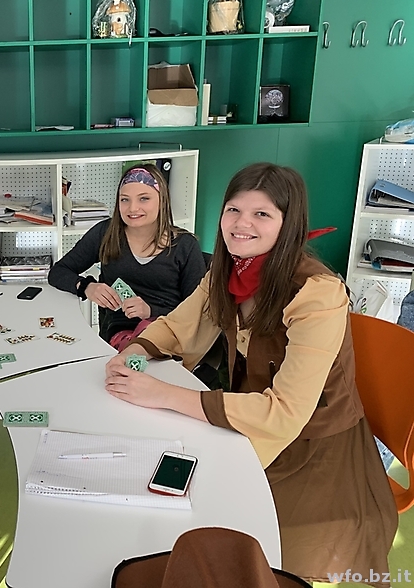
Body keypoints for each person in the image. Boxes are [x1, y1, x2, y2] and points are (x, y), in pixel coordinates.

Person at [105, 163, 397, 585]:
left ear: (287, 222)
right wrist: (134, 349)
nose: (242, 224)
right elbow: (181, 324)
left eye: (262, 214)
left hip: (313, 452)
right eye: (233, 210)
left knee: (211, 529)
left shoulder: (318, 293)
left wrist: (163, 393)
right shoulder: (229, 270)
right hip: (245, 425)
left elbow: (285, 413)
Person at [48, 164, 206, 350]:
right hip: (119, 336)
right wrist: (86, 287)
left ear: (162, 200)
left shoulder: (185, 245)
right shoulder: (106, 233)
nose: (133, 208)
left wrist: (151, 311)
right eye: (125, 200)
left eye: (144, 199)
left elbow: (196, 314)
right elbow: (58, 272)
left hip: (169, 334)